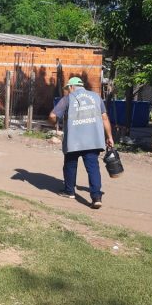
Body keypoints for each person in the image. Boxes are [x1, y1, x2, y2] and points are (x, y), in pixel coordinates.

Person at [49, 76, 114, 209]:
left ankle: (69, 191)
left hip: (74, 141)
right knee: (93, 168)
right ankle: (96, 197)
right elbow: (105, 118)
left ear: (72, 87)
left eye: (68, 88)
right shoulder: (96, 97)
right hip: (93, 140)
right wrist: (109, 137)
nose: (67, 91)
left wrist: (54, 123)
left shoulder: (67, 99)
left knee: (70, 165)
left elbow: (52, 115)